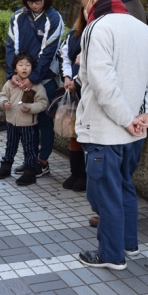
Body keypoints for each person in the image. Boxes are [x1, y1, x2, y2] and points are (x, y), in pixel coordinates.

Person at [74, 0, 148, 270]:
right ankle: (129, 244)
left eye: (83, 4)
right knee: (124, 187)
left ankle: (111, 255)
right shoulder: (144, 30)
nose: (84, 11)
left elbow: (102, 83)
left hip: (105, 133)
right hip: (135, 133)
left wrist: (128, 120)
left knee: (105, 195)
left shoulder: (97, 27)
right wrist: (145, 116)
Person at [5, 0, 64, 177]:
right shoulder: (18, 17)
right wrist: (12, 74)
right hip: (21, 80)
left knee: (45, 122)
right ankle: (30, 159)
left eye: (38, 1)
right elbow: (10, 46)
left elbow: (48, 52)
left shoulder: (54, 18)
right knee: (26, 121)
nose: (35, 5)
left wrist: (33, 77)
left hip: (44, 80)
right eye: (31, 2)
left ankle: (42, 161)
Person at [0, 52, 48, 186]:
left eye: (28, 65)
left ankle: (30, 172)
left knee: (29, 148)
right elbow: (2, 95)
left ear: (32, 68)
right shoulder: (10, 83)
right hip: (11, 122)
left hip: (28, 124)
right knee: (10, 145)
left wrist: (30, 108)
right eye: (21, 65)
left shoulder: (36, 86)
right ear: (14, 68)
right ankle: (6, 166)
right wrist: (4, 102)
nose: (24, 68)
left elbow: (43, 103)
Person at [58, 11, 87, 192]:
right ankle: (74, 172)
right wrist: (68, 78)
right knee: (73, 131)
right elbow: (65, 57)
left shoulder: (100, 34)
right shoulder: (73, 34)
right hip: (72, 91)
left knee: (86, 133)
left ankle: (84, 174)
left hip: (88, 93)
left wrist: (78, 82)